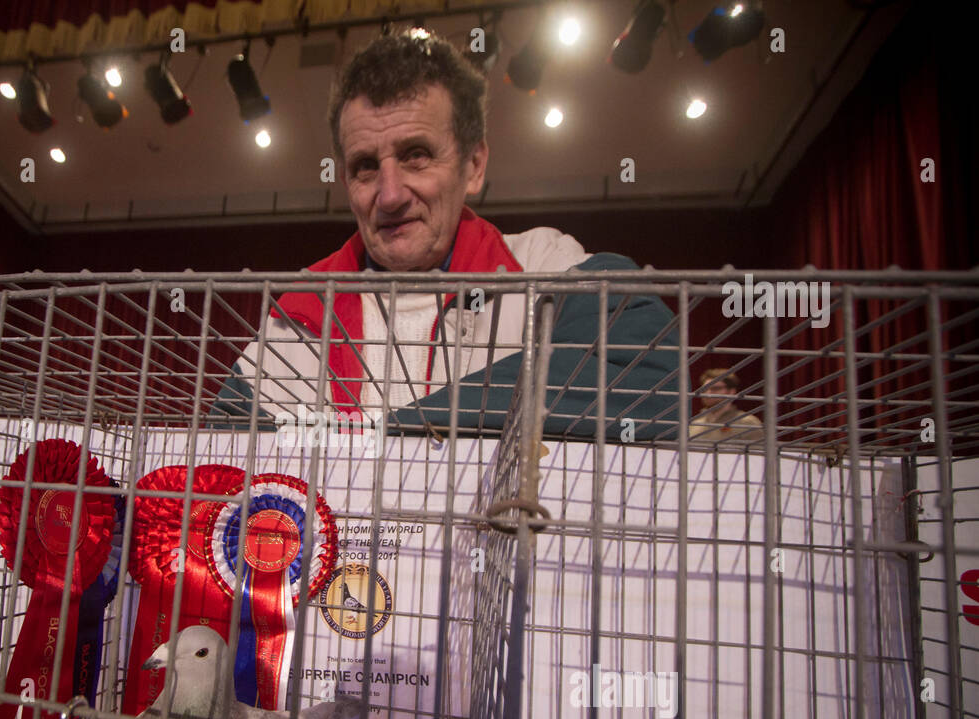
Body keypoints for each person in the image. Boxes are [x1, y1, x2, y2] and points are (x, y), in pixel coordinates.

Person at [211, 29, 677, 440]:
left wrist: (386, 442)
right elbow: (219, 468)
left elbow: (648, 379)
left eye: (416, 154)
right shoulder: (295, 316)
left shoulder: (542, 265)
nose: (390, 195)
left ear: (473, 166)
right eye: (366, 167)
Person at [689, 368, 763, 443]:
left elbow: (758, 452)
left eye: (715, 388)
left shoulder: (747, 423)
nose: (708, 393)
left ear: (731, 392)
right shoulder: (694, 424)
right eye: (704, 389)